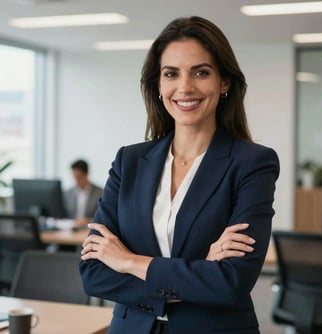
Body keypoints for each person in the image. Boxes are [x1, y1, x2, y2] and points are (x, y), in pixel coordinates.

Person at [80, 16, 279, 334]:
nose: (185, 87)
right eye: (171, 74)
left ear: (224, 82)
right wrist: (198, 275)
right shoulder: (129, 161)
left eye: (201, 72)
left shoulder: (252, 163)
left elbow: (230, 282)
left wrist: (130, 262)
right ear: (158, 84)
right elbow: (93, 273)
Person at [64, 159, 103, 226]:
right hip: (71, 229)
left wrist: (88, 220)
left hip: (90, 229)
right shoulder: (67, 193)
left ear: (87, 174)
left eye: (79, 178)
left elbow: (103, 216)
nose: (76, 181)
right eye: (74, 177)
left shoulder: (100, 192)